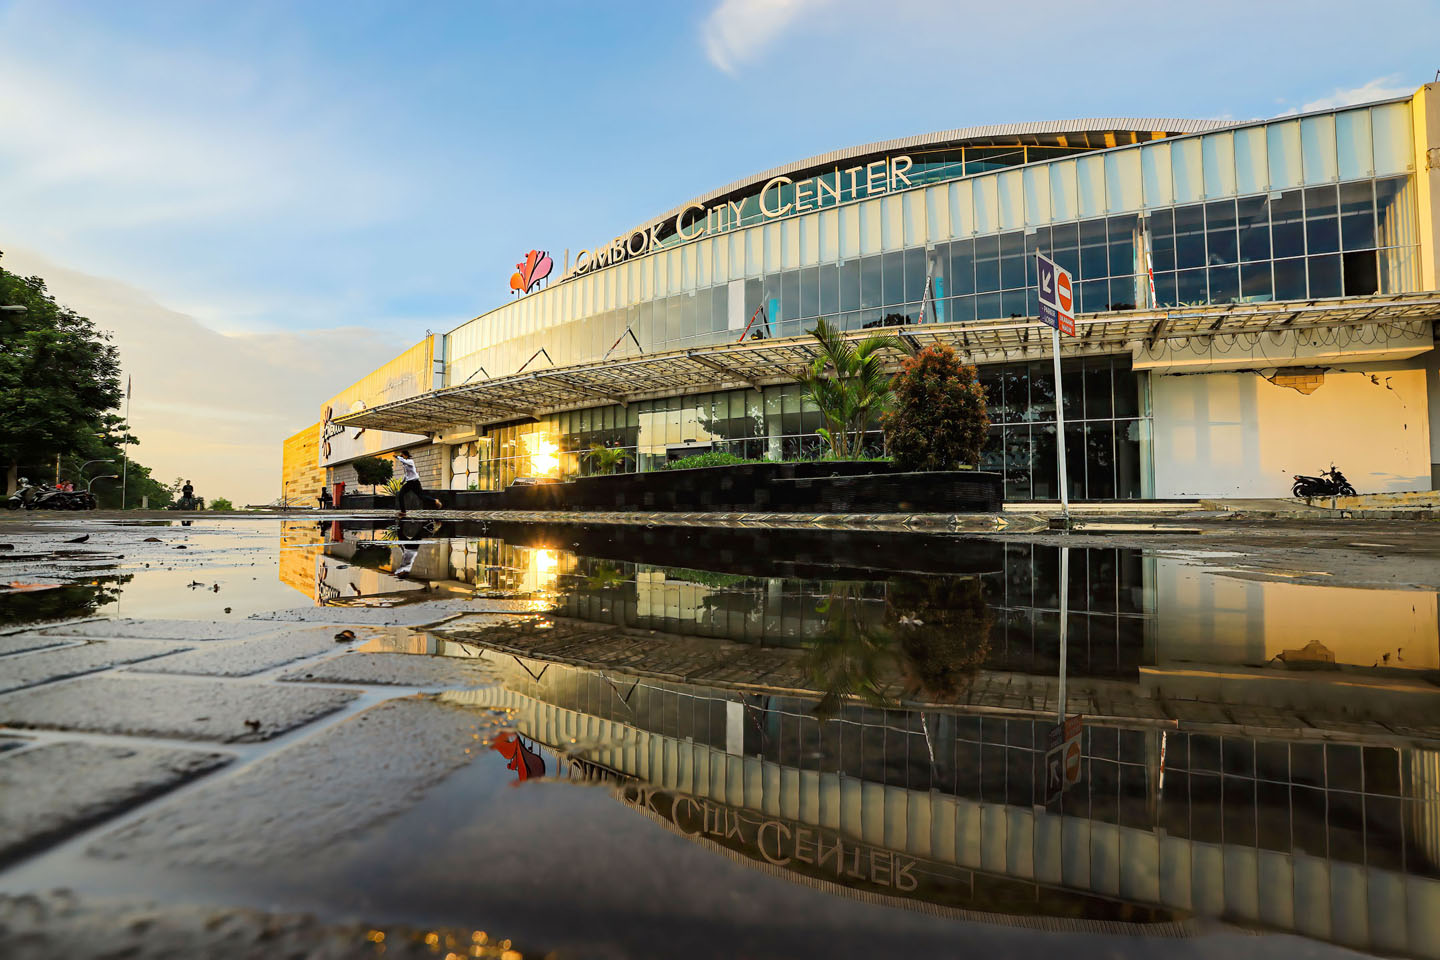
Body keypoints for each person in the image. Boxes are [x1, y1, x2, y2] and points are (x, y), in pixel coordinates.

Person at [394, 450, 422, 517]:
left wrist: (398, 457)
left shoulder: (410, 461)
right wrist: (403, 481)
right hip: (409, 483)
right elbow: (407, 474)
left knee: (421, 496)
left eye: (402, 455)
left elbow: (404, 461)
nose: (402, 457)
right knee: (401, 494)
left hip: (415, 482)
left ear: (406, 455)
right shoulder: (405, 464)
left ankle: (435, 501)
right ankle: (403, 511)